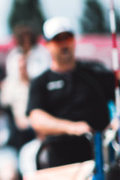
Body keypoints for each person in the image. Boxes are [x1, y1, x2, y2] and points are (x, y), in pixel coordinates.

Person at [27, 16, 116, 169]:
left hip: (101, 153)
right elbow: (36, 118)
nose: (63, 44)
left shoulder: (96, 71)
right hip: (61, 158)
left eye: (67, 38)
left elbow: (116, 94)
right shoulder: (41, 82)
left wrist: (116, 121)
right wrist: (70, 127)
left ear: (74, 40)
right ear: (47, 44)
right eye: (57, 40)